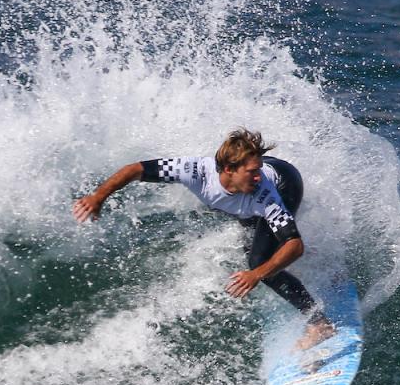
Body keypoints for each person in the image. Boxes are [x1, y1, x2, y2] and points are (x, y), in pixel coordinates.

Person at [73, 128, 334, 348]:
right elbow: (133, 169)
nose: (258, 175)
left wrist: (256, 275)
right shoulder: (193, 170)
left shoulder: (263, 192)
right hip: (244, 202)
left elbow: (295, 245)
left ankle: (319, 324)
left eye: (259, 170)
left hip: (286, 183)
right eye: (252, 170)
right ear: (229, 169)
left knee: (259, 263)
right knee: (255, 243)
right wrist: (98, 197)